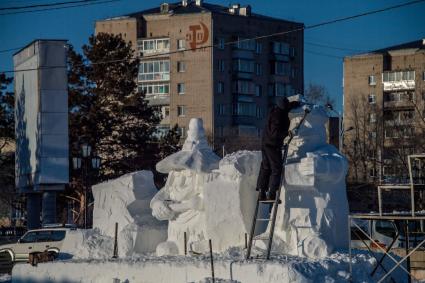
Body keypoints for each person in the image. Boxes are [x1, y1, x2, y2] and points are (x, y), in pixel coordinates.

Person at [256, 97, 301, 201]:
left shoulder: (279, 110)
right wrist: (288, 133)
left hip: (266, 143)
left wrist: (297, 103)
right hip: (272, 145)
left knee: (266, 167)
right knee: (276, 169)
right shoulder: (278, 116)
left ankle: (262, 193)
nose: (287, 107)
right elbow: (274, 133)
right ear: (282, 106)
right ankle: (271, 193)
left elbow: (289, 106)